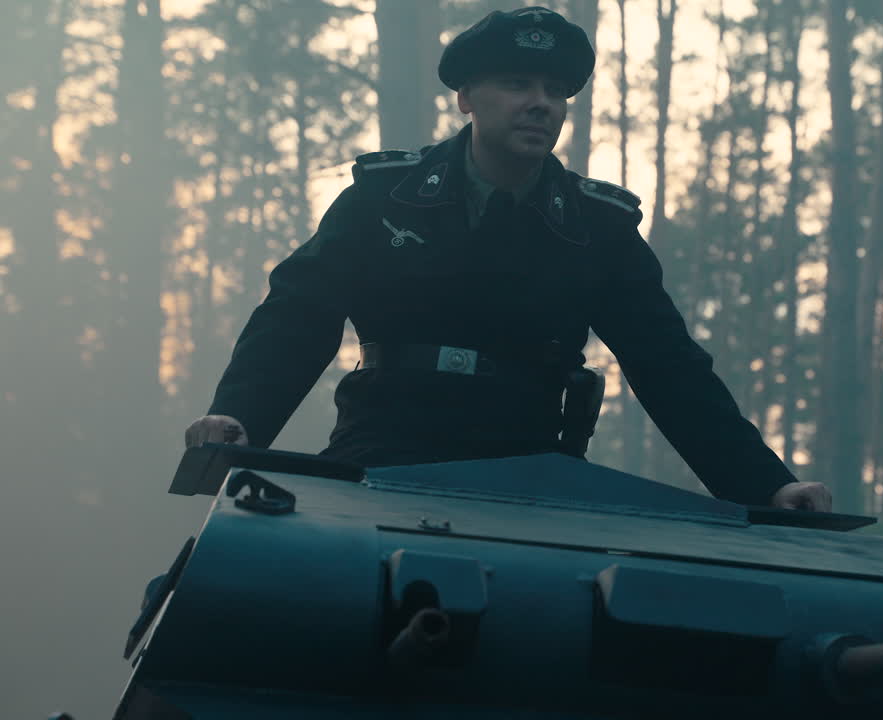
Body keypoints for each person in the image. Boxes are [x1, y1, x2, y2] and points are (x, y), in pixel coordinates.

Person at [184, 6, 831, 512]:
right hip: (382, 450)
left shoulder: (595, 226)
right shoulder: (385, 198)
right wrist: (241, 416)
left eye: (555, 89)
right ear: (467, 98)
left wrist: (767, 486)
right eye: (517, 83)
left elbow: (670, 367)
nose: (540, 103)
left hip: (527, 467)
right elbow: (298, 314)